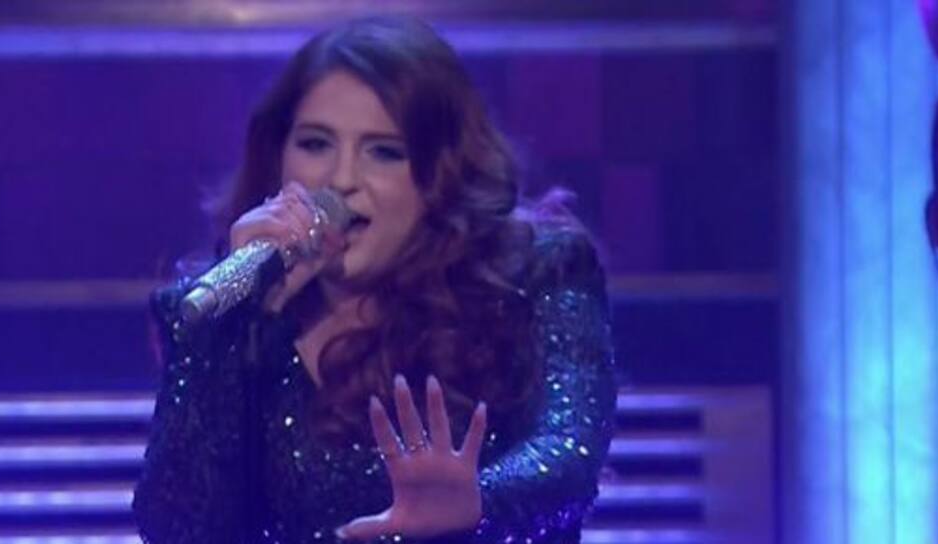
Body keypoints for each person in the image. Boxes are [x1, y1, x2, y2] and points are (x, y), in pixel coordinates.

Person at [132, 16, 617, 544]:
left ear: (440, 172)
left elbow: (567, 456)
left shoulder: (537, 275)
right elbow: (178, 529)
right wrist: (231, 330)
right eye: (315, 144)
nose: (340, 180)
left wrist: (477, 503)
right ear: (277, 157)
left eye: (383, 151)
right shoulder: (230, 314)